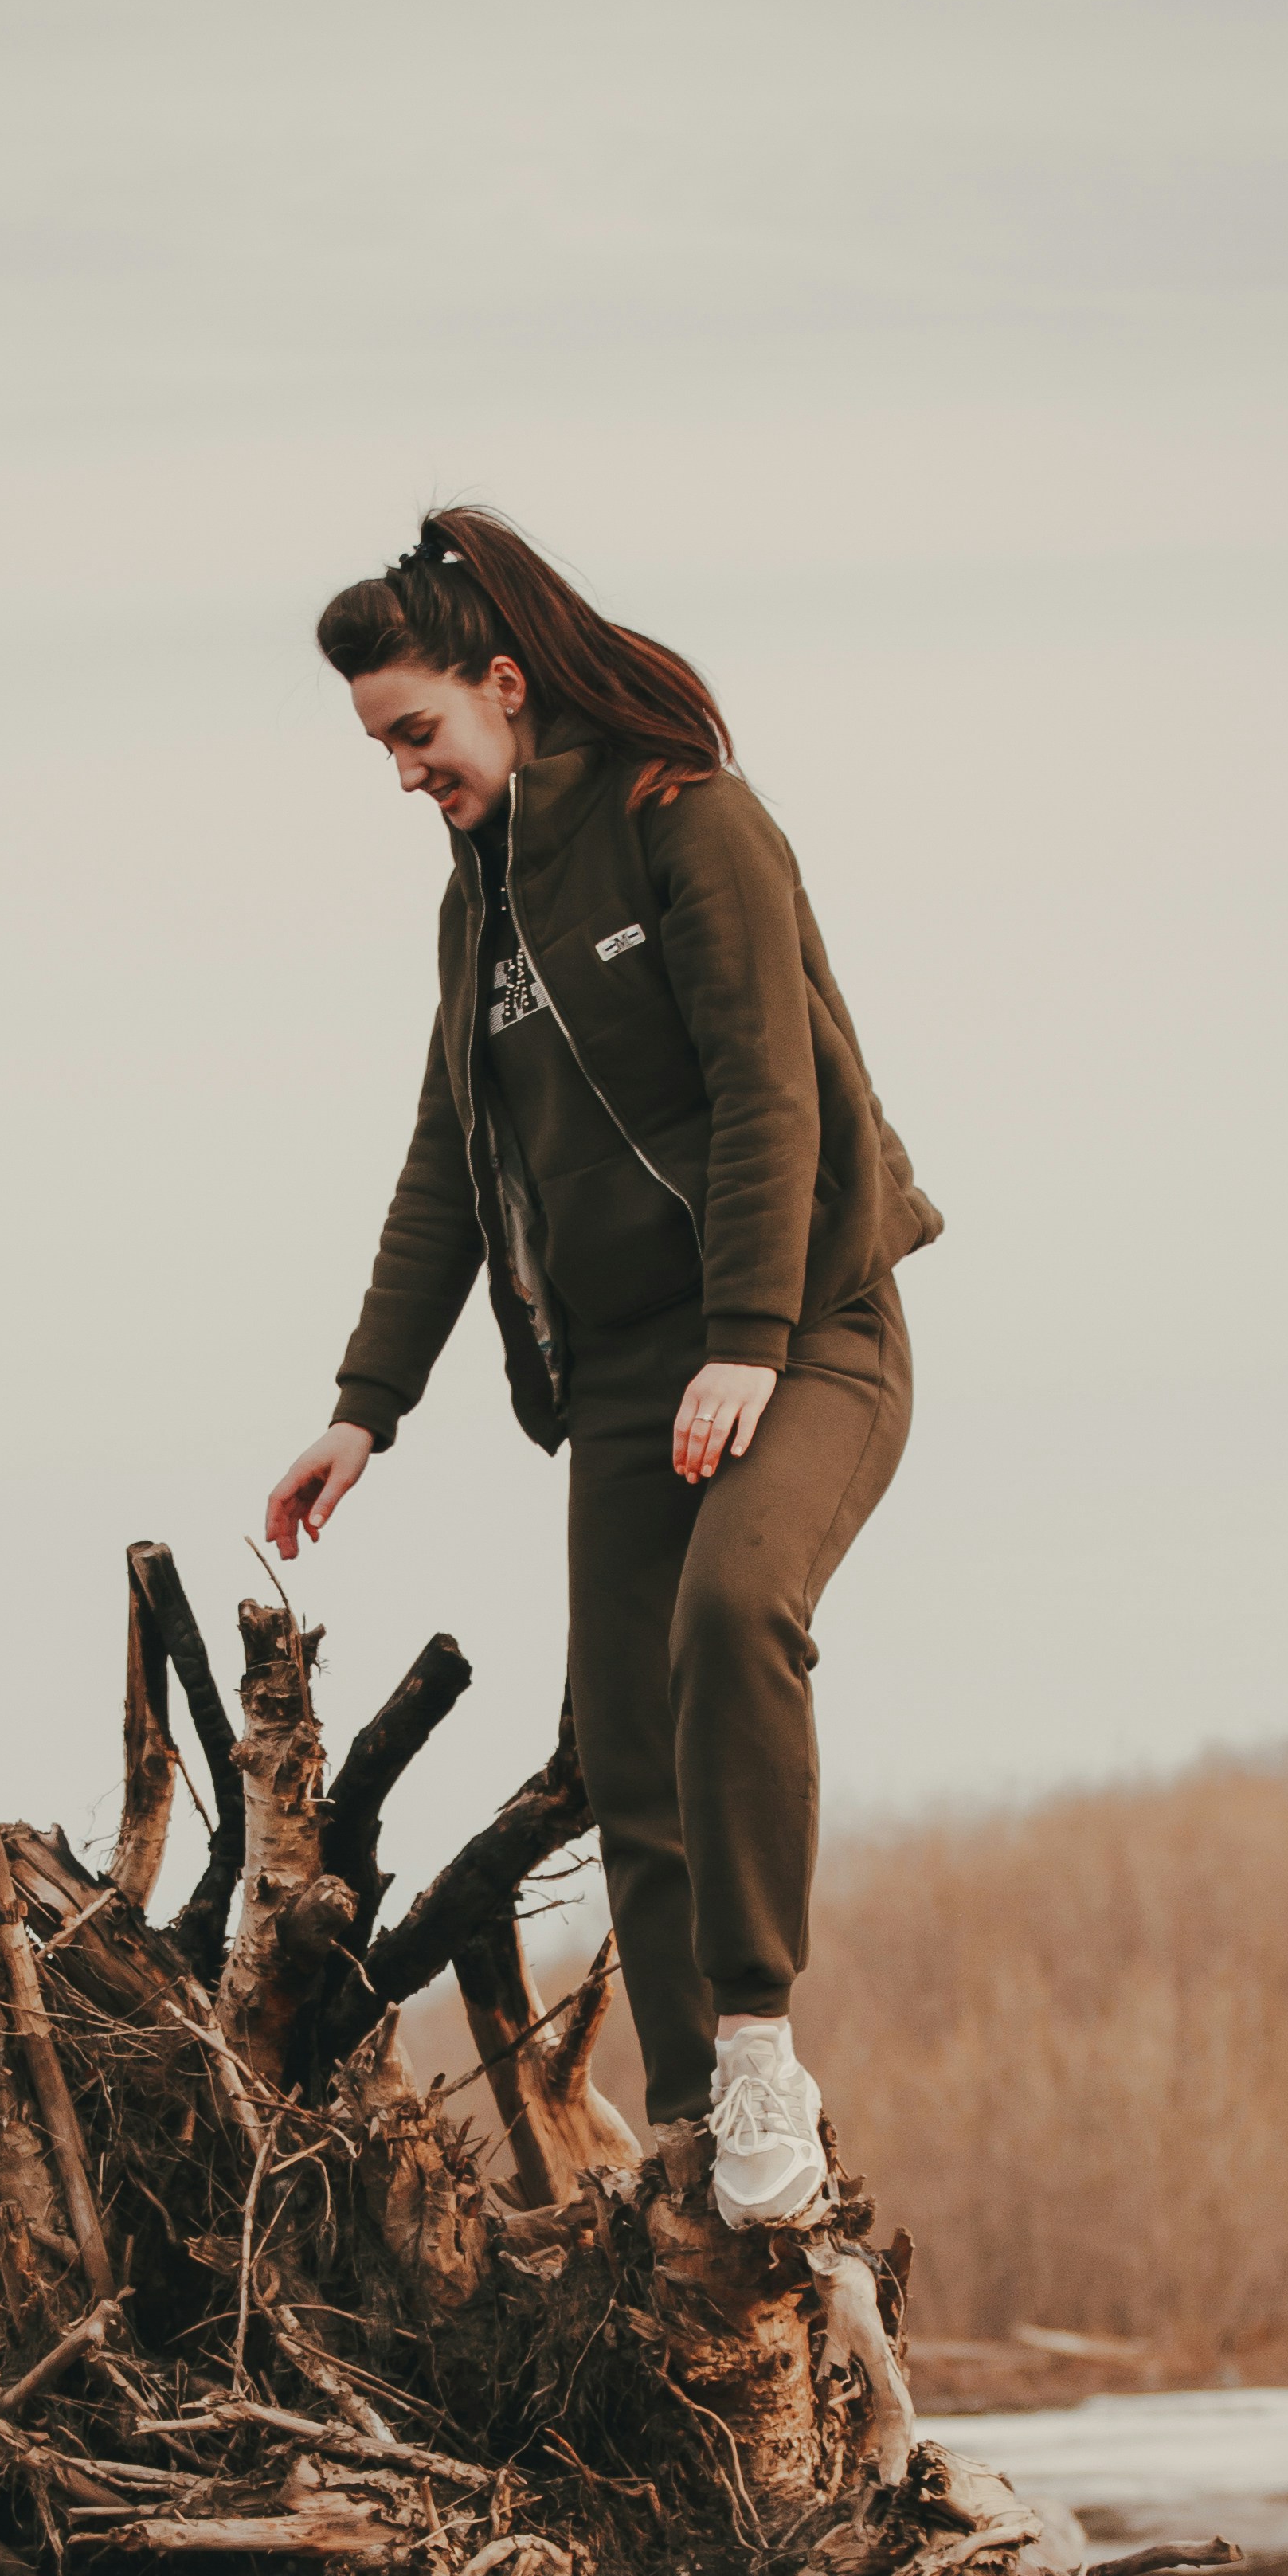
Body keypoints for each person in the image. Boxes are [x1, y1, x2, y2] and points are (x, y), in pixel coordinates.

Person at [265, 507, 939, 2227]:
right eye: (380, 748)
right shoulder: (473, 912)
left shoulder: (686, 825)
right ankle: (704, 2119)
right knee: (626, 1741)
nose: (404, 772)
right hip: (629, 1375)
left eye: (416, 732)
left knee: (732, 1624)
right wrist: (367, 1406)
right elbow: (447, 1161)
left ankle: (764, 2045)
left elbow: (773, 1091)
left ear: (501, 686)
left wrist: (750, 1343)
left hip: (812, 1332)